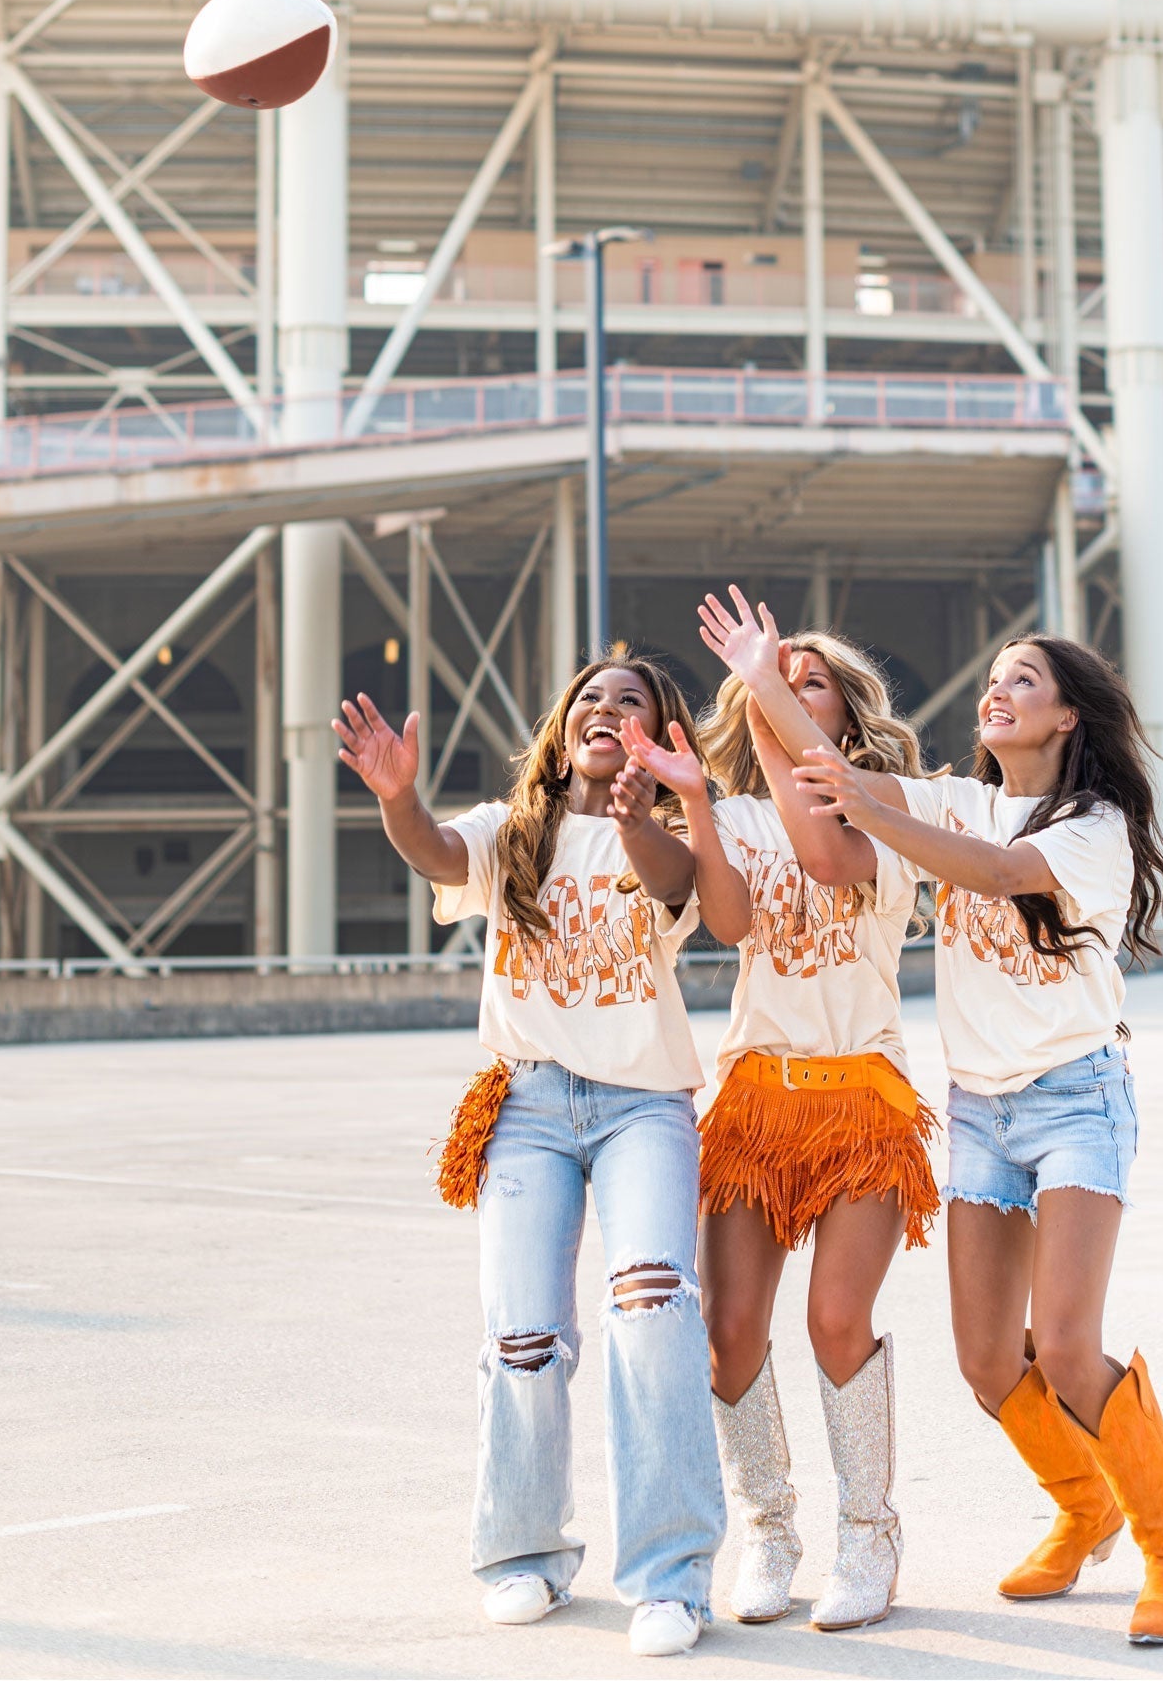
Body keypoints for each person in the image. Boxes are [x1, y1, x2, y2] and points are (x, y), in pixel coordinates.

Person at [788, 633, 1163, 1649]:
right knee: (987, 1360)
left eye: (1024, 679)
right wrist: (773, 680)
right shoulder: (952, 797)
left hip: (1076, 1098)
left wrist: (879, 805)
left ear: (1070, 714)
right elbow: (841, 778)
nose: (997, 691)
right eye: (991, 678)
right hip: (979, 1106)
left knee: (1064, 1344)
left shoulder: (1094, 826)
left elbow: (994, 868)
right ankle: (1084, 1504)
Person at [332, 652, 725, 1660]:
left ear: (662, 733)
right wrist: (398, 794)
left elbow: (679, 886)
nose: (604, 707)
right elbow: (430, 850)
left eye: (629, 700)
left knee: (651, 1305)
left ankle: (670, 1575)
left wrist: (642, 815)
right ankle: (522, 1552)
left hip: (643, 1102)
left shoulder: (674, 832)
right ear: (560, 731)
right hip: (528, 1105)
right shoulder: (510, 829)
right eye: (589, 698)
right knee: (521, 1334)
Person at [618, 596, 933, 1633]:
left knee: (836, 1318)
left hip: (863, 1095)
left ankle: (868, 1532)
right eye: (772, 679)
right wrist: (701, 806)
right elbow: (731, 918)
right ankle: (770, 1526)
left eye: (809, 681)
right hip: (758, 1094)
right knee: (730, 1331)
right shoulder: (741, 817)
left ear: (846, 713)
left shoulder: (892, 805)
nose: (785, 688)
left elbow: (834, 855)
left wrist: (762, 688)